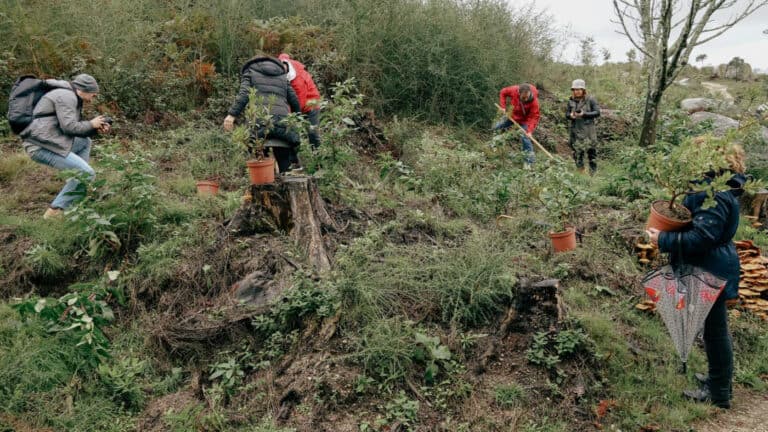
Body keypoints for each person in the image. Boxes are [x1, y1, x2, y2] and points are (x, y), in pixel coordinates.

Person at [646, 144, 747, 410]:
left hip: (709, 268)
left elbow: (702, 237)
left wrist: (663, 238)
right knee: (714, 329)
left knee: (715, 331)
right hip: (712, 265)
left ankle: (719, 392)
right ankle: (717, 380)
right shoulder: (715, 190)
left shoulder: (711, 194)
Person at [20, 74, 111, 219]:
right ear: (83, 89)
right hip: (40, 146)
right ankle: (54, 212)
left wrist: (94, 128)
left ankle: (77, 186)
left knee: (84, 142)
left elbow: (75, 130)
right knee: (88, 173)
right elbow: (69, 127)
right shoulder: (67, 96)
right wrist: (91, 124)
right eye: (93, 93)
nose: (95, 96)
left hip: (49, 141)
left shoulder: (70, 96)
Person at [223, 55, 302, 173]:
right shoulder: (282, 75)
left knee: (259, 161)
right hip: (283, 124)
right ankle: (286, 181)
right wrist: (297, 119)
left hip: (259, 123)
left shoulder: (250, 71)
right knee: (285, 161)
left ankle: (265, 185)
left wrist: (232, 115)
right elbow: (294, 100)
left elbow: (244, 94)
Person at [278, 53, 322, 149]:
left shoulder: (297, 81)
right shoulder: (282, 63)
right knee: (291, 133)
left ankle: (317, 155)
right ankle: (295, 160)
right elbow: (284, 55)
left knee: (312, 132)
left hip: (311, 102)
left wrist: (290, 116)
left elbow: (299, 103)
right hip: (297, 103)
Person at [494, 83, 540, 167]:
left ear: (530, 93)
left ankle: (528, 162)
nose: (526, 99)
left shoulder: (534, 101)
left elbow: (534, 117)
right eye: (523, 98)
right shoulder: (514, 90)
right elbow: (503, 92)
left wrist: (529, 131)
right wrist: (503, 107)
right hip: (512, 116)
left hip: (525, 121)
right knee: (497, 127)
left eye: (527, 97)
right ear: (519, 93)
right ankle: (494, 145)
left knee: (525, 137)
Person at [566, 79, 601, 174]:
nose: (576, 91)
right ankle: (581, 172)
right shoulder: (571, 101)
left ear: (583, 90)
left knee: (591, 153)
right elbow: (567, 114)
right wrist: (571, 116)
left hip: (589, 131)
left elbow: (597, 112)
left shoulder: (591, 99)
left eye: (579, 89)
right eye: (574, 89)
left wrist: (584, 114)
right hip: (575, 130)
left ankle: (593, 174)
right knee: (577, 153)